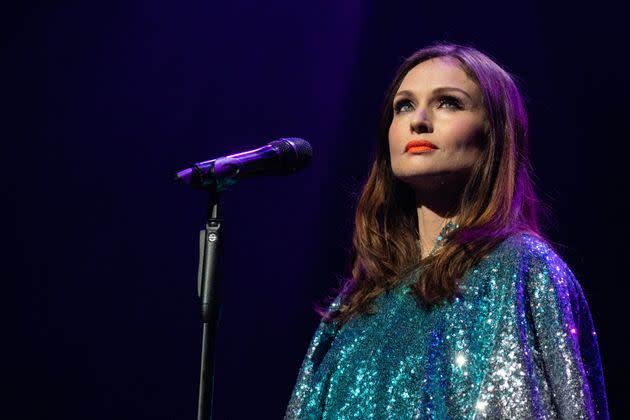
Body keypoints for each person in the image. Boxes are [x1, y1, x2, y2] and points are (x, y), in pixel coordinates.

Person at [284, 43, 609, 419]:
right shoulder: (357, 303)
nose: (417, 120)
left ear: (494, 135)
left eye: (448, 103)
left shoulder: (522, 268)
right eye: (403, 106)